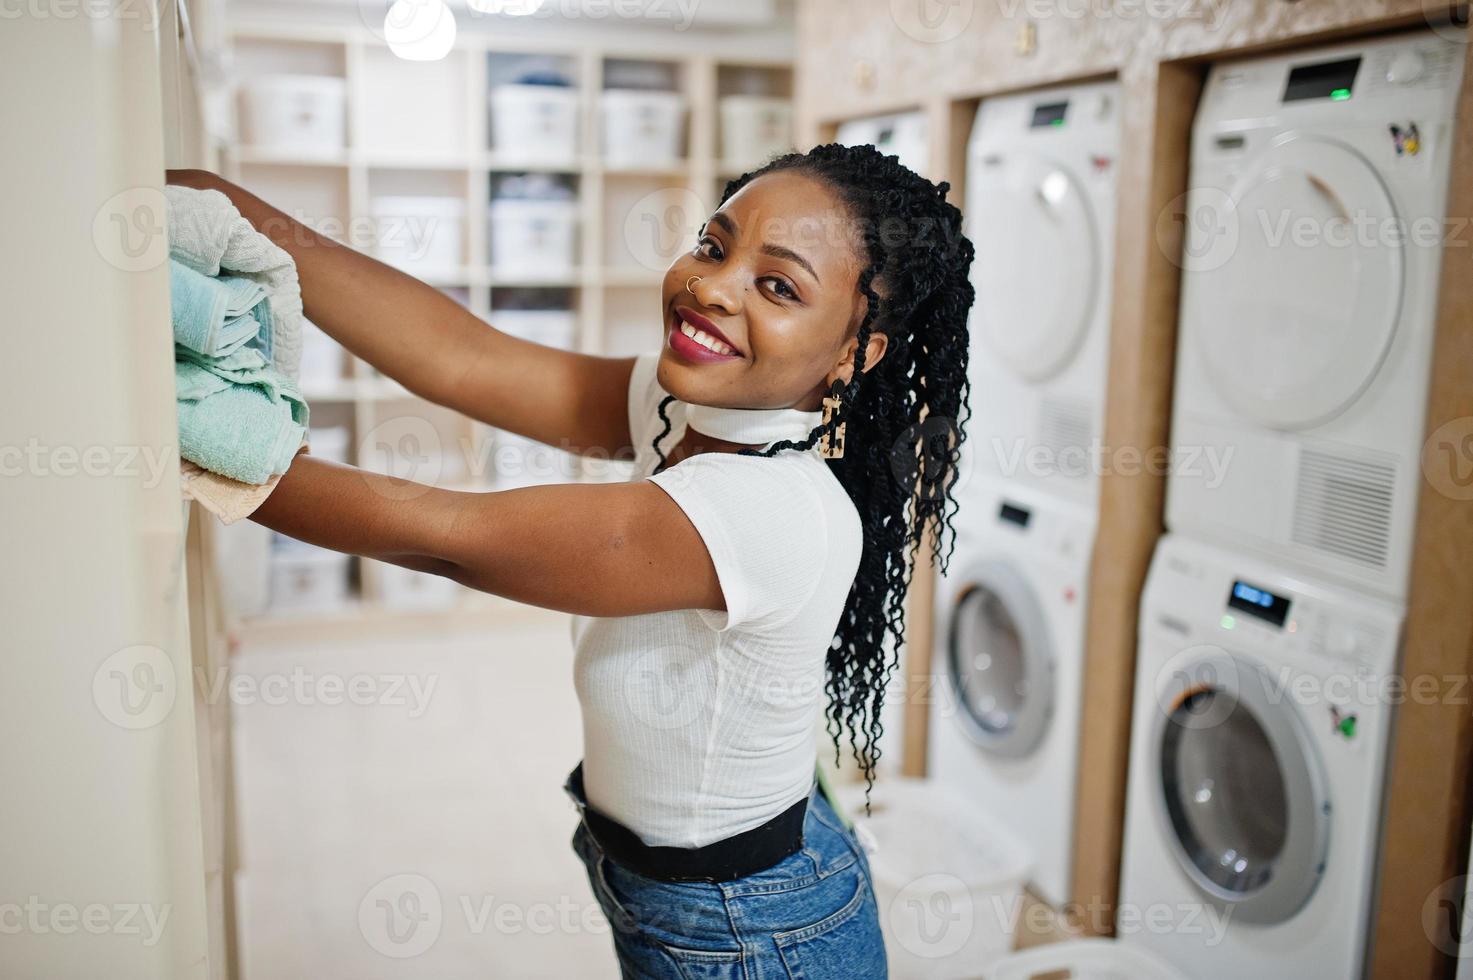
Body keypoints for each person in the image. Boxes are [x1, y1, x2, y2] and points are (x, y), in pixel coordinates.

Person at [167, 141, 974, 978]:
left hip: (751, 931)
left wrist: (188, 426)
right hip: (694, 891)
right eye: (713, 244)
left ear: (852, 354)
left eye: (777, 286)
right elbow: (462, 357)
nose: (712, 286)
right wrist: (233, 213)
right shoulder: (680, 405)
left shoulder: (768, 510)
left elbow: (446, 538)